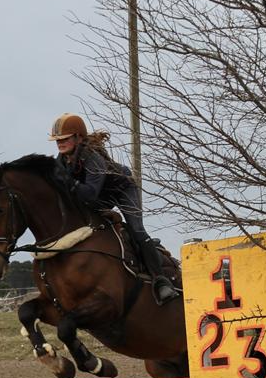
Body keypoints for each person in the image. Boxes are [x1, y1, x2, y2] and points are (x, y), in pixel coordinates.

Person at [48, 113, 179, 304]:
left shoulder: (92, 158)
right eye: (57, 140)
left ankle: (161, 281)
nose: (60, 143)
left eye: (64, 139)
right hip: (99, 196)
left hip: (122, 190)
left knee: (137, 230)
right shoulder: (61, 161)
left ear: (78, 137)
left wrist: (68, 183)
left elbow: (90, 194)